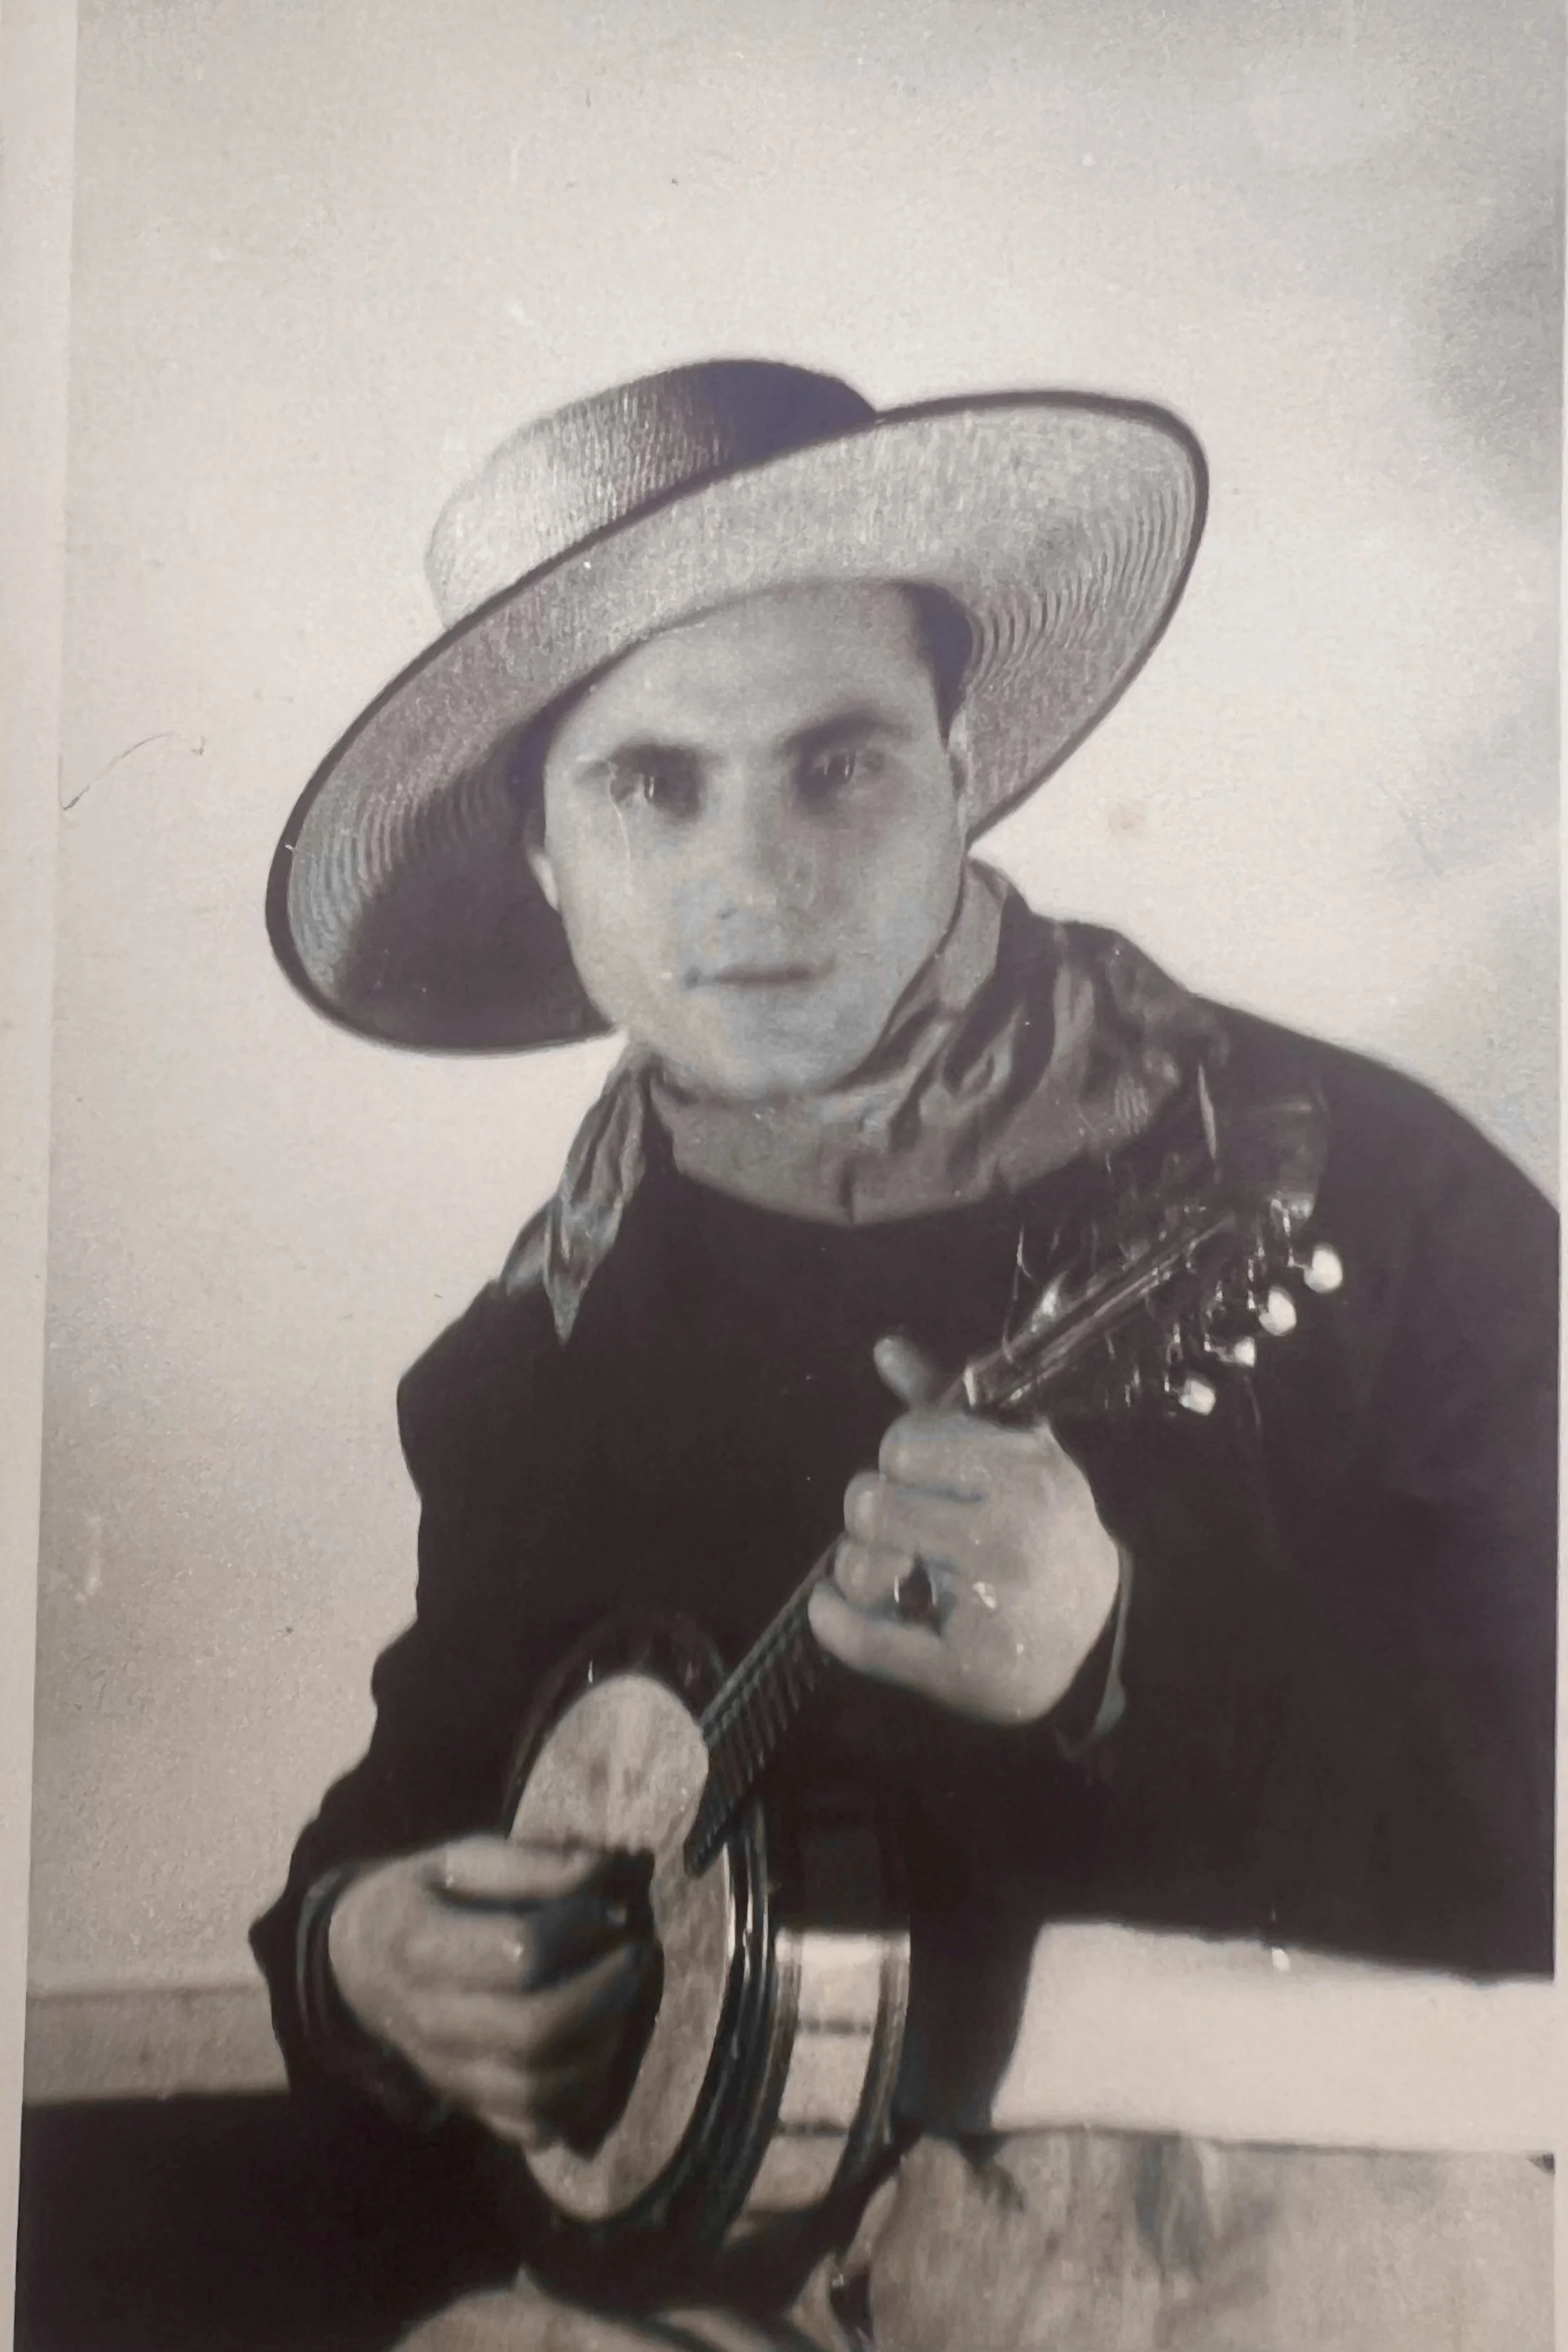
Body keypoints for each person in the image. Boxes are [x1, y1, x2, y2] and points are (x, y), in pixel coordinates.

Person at [253, 362, 1556, 2350]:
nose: (752, 876)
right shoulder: (533, 1346)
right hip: (730, 2284)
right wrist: (364, 1953)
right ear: (543, 856)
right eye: (649, 785)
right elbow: (426, 1799)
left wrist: (1125, 1656)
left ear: (962, 763)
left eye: (837, 764)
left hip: (1316, 2236)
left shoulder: (1367, 1193)